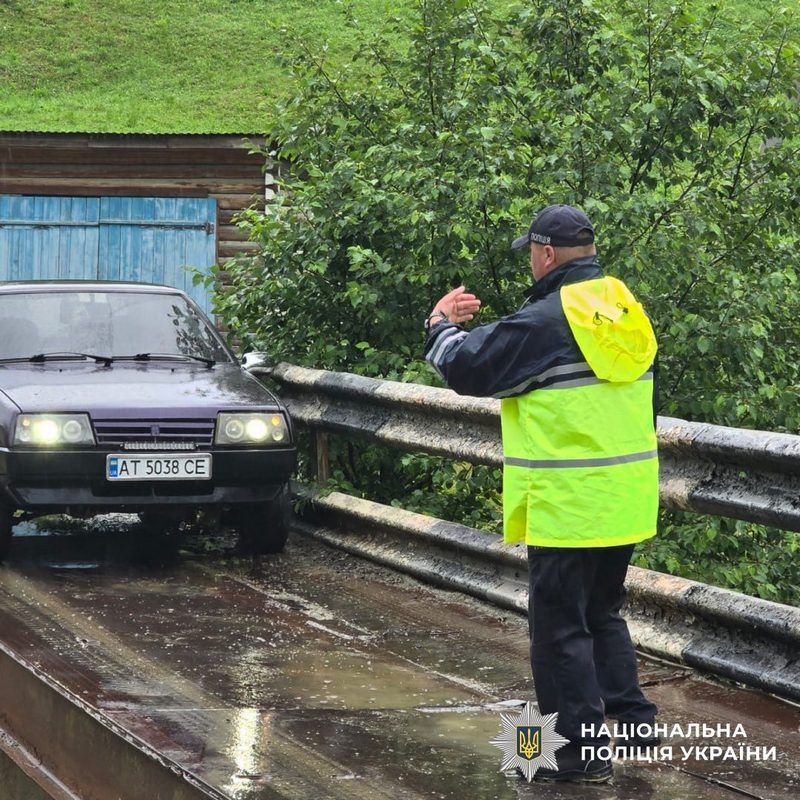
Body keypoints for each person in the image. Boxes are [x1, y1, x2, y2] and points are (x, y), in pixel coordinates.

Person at [422, 204, 660, 783]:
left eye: (530, 252)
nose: (530, 262)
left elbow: (470, 368)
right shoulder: (623, 309)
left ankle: (578, 756)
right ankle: (632, 724)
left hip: (568, 503)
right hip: (625, 495)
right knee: (601, 612)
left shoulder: (548, 320)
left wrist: (438, 325)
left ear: (546, 253)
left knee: (558, 630)